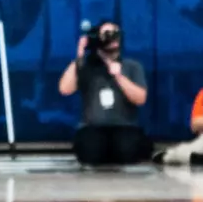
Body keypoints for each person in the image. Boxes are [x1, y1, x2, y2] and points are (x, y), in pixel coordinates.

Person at [58, 21, 152, 166]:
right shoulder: (86, 66)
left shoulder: (132, 66)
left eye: (115, 34)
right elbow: (65, 89)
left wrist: (119, 76)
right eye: (107, 35)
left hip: (124, 126)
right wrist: (80, 56)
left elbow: (140, 99)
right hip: (93, 127)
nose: (112, 38)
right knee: (91, 151)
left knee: (126, 150)